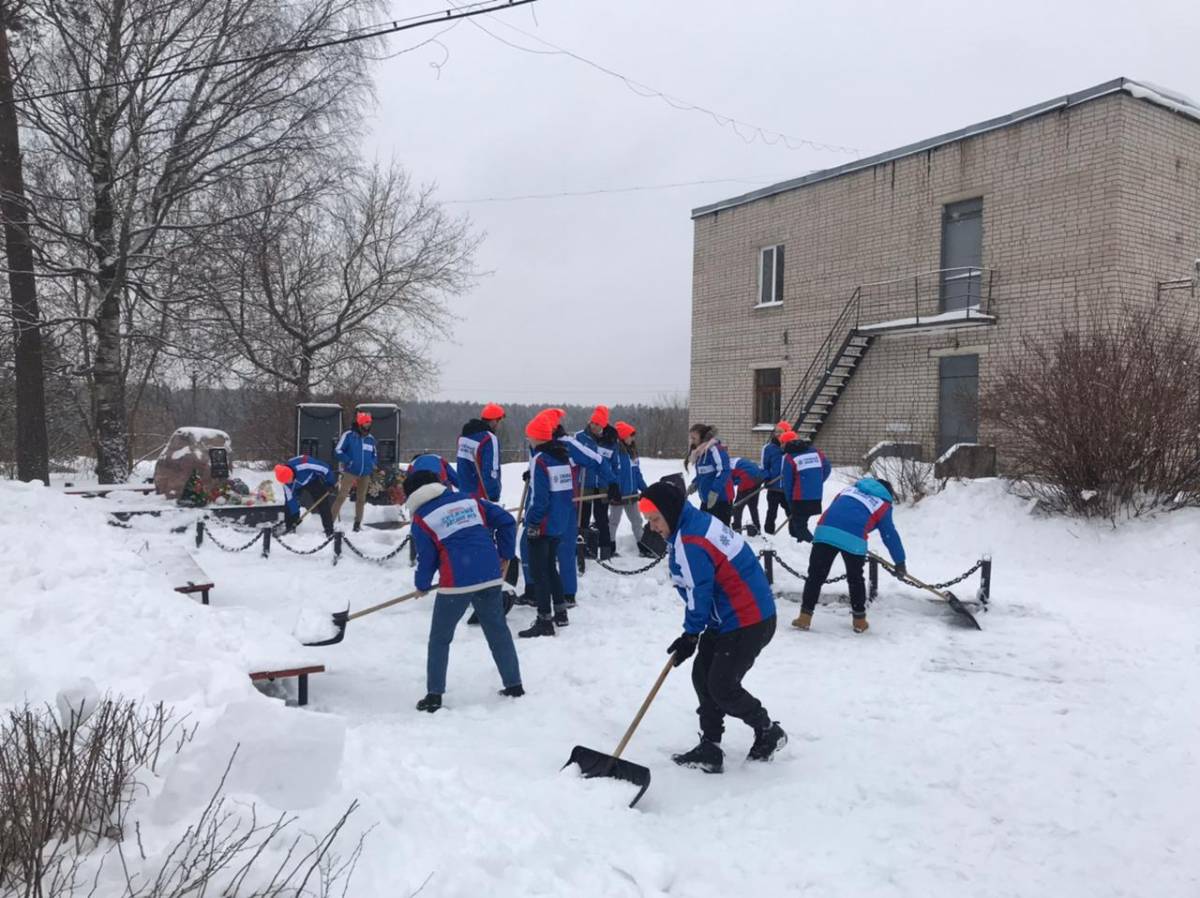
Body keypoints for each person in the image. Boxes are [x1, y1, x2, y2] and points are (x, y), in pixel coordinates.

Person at [637, 480, 786, 773]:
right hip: (729, 616)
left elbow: (699, 591)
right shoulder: (692, 522)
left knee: (722, 686)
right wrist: (693, 634)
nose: (653, 527)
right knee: (702, 676)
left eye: (655, 519)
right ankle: (710, 747)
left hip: (748, 619)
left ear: (669, 511)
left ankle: (769, 731)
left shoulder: (691, 541)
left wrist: (691, 634)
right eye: (649, 521)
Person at [405, 469, 523, 713]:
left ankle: (434, 695)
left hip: (456, 581)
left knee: (440, 638)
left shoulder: (422, 518)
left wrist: (422, 585)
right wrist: (505, 554)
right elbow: (507, 521)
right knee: (497, 631)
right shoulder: (470, 500)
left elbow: (426, 558)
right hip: (490, 573)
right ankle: (514, 685)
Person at [794, 476, 906, 634]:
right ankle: (859, 621)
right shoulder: (883, 504)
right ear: (887, 492)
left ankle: (804, 617)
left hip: (825, 530)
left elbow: (837, 510)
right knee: (855, 579)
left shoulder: (849, 490)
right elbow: (889, 534)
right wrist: (900, 562)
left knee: (815, 576)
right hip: (854, 538)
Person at [518, 411, 576, 637]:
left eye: (529, 436)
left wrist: (531, 521)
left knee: (539, 571)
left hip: (542, 524)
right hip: (559, 523)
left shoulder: (540, 460)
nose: (528, 440)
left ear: (537, 437)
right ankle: (561, 612)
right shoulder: (562, 458)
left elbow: (540, 499)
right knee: (551, 567)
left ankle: (544, 620)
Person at [569, 406, 620, 560]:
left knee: (602, 518)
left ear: (604, 425)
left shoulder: (611, 441)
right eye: (592, 423)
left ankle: (605, 552)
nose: (594, 426)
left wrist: (614, 484)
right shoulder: (579, 437)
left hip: (603, 485)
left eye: (598, 424)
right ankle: (582, 551)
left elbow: (615, 465)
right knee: (582, 518)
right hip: (585, 483)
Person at [778, 432, 832, 543]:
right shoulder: (816, 452)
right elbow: (827, 468)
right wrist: (817, 482)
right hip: (816, 495)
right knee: (801, 521)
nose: (781, 446)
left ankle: (814, 544)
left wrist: (789, 499)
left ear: (786, 444)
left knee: (800, 526)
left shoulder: (789, 457)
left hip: (800, 496)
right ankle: (798, 543)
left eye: (782, 443)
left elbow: (787, 482)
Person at [331, 411, 378, 532]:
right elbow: (338, 451)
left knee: (361, 499)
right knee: (341, 496)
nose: (369, 426)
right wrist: (349, 461)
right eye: (366, 423)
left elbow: (374, 454)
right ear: (360, 423)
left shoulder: (370, 439)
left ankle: (357, 524)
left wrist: (372, 463)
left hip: (365, 473)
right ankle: (329, 523)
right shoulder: (349, 435)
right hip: (350, 471)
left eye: (370, 423)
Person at [275, 455, 338, 536]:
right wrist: (295, 515)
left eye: (288, 480)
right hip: (297, 485)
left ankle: (329, 529)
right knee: (288, 505)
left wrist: (330, 483)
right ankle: (290, 528)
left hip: (312, 480)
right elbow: (291, 499)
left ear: (291, 474)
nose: (288, 483)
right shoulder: (287, 483)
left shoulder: (305, 465)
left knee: (323, 502)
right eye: (286, 482)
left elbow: (325, 469)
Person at [608, 421, 647, 547]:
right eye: (631, 435)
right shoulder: (616, 453)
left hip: (631, 495)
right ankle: (610, 546)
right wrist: (614, 490)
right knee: (613, 521)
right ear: (623, 436)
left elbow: (637, 474)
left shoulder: (633, 453)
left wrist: (645, 489)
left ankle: (642, 545)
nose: (633, 438)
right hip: (618, 495)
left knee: (637, 520)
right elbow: (612, 474)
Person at [686, 424, 733, 526]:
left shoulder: (714, 449)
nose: (692, 441)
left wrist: (714, 492)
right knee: (704, 529)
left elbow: (724, 471)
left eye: (694, 438)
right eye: (691, 438)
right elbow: (702, 475)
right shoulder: (700, 453)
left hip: (721, 500)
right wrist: (695, 484)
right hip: (707, 500)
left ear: (702, 437)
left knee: (719, 532)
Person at [457, 403, 504, 502]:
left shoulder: (463, 437)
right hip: (482, 499)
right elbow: (491, 470)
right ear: (495, 421)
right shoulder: (489, 439)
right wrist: (493, 496)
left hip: (464, 497)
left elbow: (462, 468)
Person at [760, 420, 791, 534]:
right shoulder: (768, 448)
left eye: (781, 431)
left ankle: (794, 534)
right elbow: (764, 466)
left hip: (788, 487)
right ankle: (769, 533)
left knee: (791, 511)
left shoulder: (793, 448)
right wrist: (766, 478)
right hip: (773, 485)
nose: (777, 434)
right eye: (776, 431)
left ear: (787, 432)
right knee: (772, 511)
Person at [729, 456, 765, 536]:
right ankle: (757, 528)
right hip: (758, 476)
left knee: (737, 506)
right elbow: (736, 478)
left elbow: (729, 483)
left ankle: (737, 530)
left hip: (748, 478)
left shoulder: (726, 467)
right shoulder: (734, 460)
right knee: (753, 505)